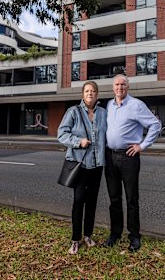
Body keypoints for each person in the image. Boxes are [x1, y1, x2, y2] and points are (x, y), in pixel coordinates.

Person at [103, 74, 161, 252]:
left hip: (129, 157)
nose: (120, 87)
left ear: (127, 87)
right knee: (114, 199)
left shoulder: (136, 105)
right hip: (110, 157)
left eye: (123, 84)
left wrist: (142, 145)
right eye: (117, 84)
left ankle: (134, 237)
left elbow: (155, 125)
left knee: (131, 199)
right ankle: (115, 234)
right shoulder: (109, 105)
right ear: (113, 88)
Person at [58, 81, 107, 255]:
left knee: (92, 202)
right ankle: (75, 239)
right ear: (83, 94)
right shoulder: (73, 112)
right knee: (79, 201)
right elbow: (61, 134)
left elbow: (109, 135)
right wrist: (78, 142)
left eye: (93, 91)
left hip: (97, 165)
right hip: (80, 164)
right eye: (87, 91)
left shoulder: (103, 113)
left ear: (97, 95)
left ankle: (88, 236)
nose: (90, 93)